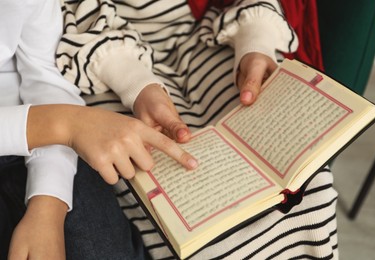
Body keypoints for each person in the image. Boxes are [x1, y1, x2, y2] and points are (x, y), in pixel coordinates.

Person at [56, 0, 339, 259]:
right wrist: (136, 84)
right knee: (188, 214)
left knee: (307, 187)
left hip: (211, 30)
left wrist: (256, 40)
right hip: (103, 59)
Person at [0, 1, 197, 259]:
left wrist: (49, 201)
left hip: (43, 136)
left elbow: (45, 74)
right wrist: (69, 124)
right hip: (50, 126)